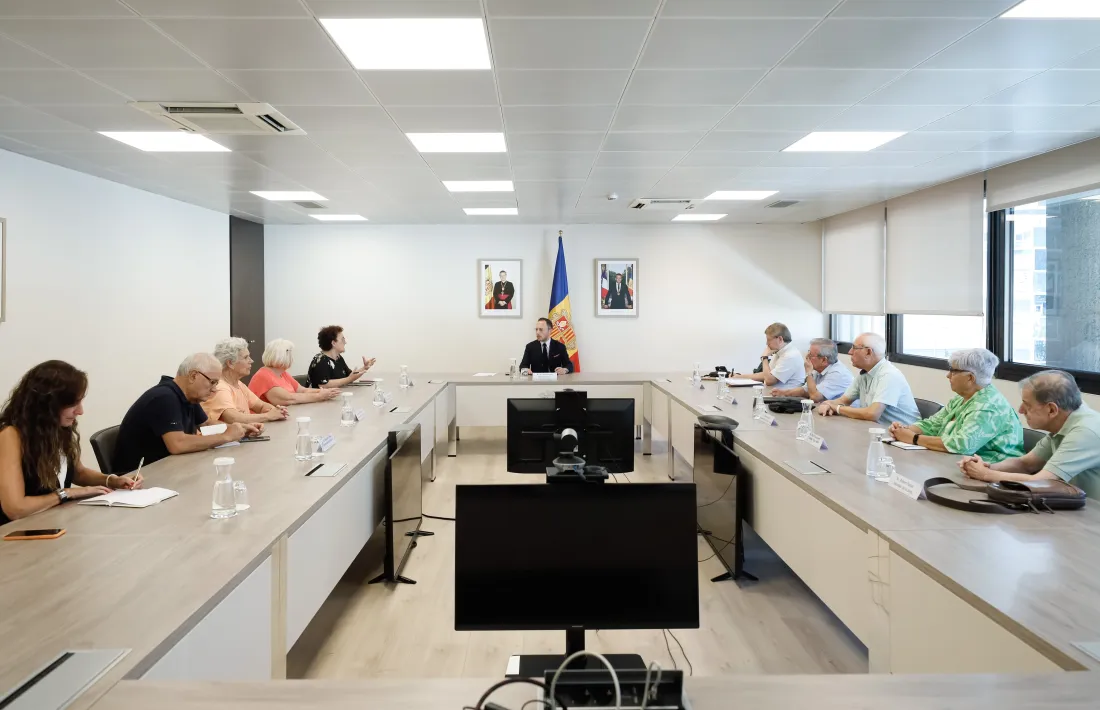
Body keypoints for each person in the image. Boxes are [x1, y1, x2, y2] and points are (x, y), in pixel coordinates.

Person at [0, 361, 143, 524]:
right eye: (73, 404)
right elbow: (16, 509)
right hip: (14, 536)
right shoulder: (10, 435)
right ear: (47, 404)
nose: (80, 411)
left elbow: (78, 473)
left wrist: (113, 480)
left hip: (51, 523)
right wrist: (66, 493)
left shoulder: (57, 428)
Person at [960, 370, 1100, 498]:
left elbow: (1043, 481)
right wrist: (986, 466)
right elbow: (1026, 464)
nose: (1021, 410)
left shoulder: (1085, 431)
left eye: (1027, 405)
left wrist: (985, 474)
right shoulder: (1067, 417)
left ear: (1052, 410)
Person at [112, 354, 256, 473]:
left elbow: (206, 424)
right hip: (140, 477)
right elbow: (178, 444)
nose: (214, 389)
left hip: (169, 469)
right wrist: (226, 436)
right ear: (193, 376)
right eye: (212, 382)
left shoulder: (188, 396)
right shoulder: (164, 397)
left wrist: (239, 428)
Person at [889, 348, 1024, 463]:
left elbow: (961, 445)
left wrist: (913, 438)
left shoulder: (988, 407)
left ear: (970, 377)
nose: (948, 375)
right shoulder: (961, 398)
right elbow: (933, 424)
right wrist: (904, 430)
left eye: (953, 371)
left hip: (993, 472)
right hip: (956, 463)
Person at [816, 332, 919, 425]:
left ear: (868, 352)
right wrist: (828, 404)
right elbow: (844, 400)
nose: (850, 352)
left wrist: (837, 408)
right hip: (877, 431)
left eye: (854, 348)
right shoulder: (865, 373)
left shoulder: (889, 375)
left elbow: (872, 414)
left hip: (903, 438)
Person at [204, 337, 290, 427]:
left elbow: (260, 406)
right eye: (246, 357)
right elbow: (233, 418)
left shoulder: (238, 384)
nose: (251, 361)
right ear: (230, 363)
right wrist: (268, 416)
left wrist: (276, 411)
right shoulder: (220, 387)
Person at [249, 339, 341, 406]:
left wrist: (325, 392)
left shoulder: (282, 373)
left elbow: (303, 390)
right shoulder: (263, 376)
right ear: (283, 357)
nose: (292, 358)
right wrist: (320, 396)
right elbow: (289, 399)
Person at [772, 338, 854, 403]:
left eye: (811, 355)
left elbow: (815, 397)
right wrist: (783, 393)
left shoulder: (838, 374)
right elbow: (805, 390)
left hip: (848, 419)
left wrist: (808, 373)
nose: (807, 357)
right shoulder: (819, 368)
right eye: (808, 352)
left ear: (824, 360)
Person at [735, 323, 806, 389]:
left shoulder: (791, 356)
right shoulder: (780, 352)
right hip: (774, 395)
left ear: (780, 339)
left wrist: (765, 358)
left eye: (768, 340)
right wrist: (739, 377)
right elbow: (766, 375)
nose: (767, 343)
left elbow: (769, 381)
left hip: (786, 399)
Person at [307, 325, 376, 389]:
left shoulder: (338, 358)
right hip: (318, 401)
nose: (345, 342)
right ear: (333, 343)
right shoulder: (320, 360)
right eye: (342, 340)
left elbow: (350, 376)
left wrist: (364, 368)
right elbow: (323, 385)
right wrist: (349, 379)